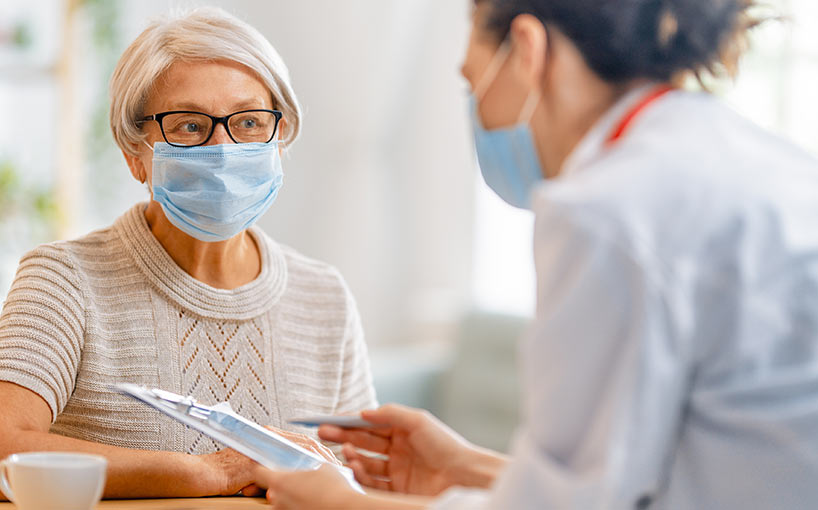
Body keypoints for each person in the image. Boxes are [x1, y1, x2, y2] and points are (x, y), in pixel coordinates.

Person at [253, 0, 818, 508]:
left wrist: (340, 504)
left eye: (473, 85)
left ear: (527, 49)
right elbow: (648, 473)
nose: (479, 114)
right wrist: (466, 467)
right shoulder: (754, 159)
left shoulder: (607, 209)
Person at [0, 7, 376, 501]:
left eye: (249, 121)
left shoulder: (324, 294)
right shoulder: (65, 280)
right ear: (135, 152)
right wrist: (210, 472)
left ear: (279, 137)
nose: (223, 148)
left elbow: (362, 486)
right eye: (190, 126)